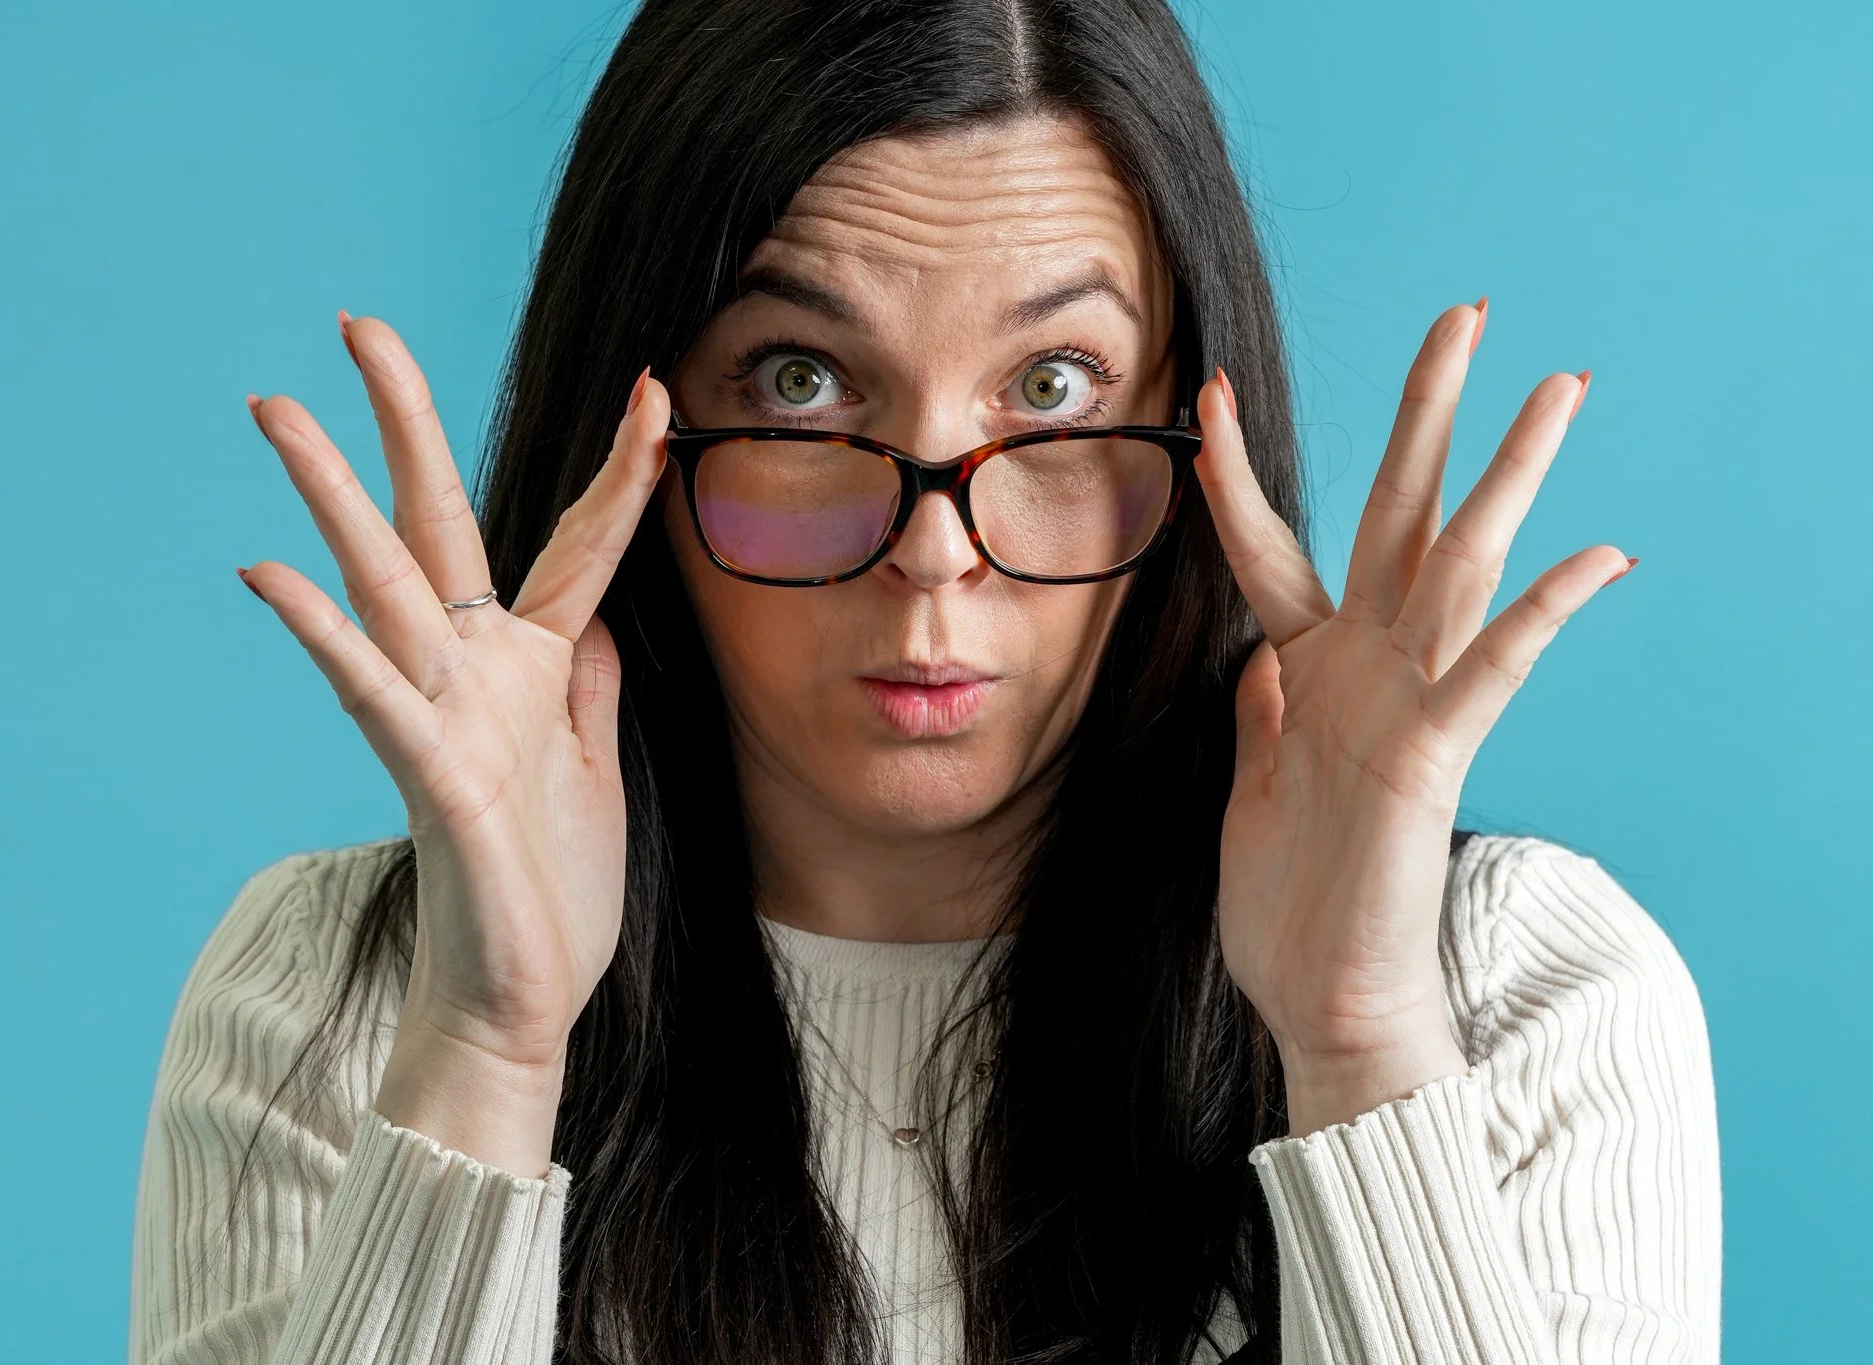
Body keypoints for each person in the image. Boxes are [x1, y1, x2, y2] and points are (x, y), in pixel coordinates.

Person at [127, 1, 1721, 1362]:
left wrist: (1363, 1044)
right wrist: (483, 1046)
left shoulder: (1526, 990)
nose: (936, 554)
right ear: (642, 427)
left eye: (1051, 387)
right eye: (801, 384)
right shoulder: (332, 993)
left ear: (1193, 415)